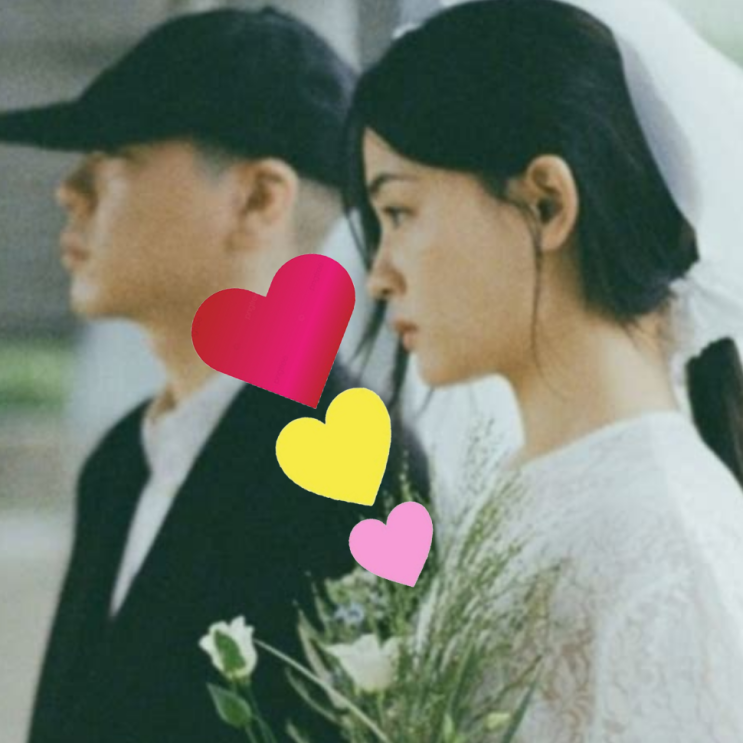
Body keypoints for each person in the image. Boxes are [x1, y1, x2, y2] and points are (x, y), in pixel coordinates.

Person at [0, 9, 428, 743]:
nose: (70, 190)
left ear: (259, 200)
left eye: (113, 157)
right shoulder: (118, 464)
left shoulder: (360, 473)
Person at [344, 0, 743, 739]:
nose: (379, 275)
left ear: (545, 203)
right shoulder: (532, 486)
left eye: (398, 212)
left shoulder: (667, 545)